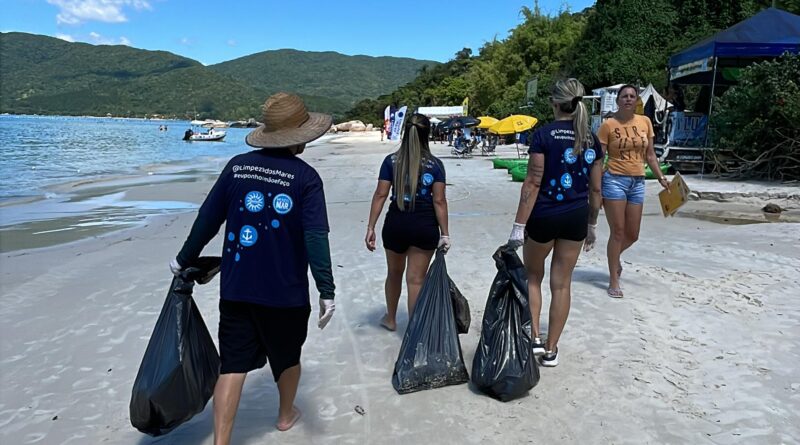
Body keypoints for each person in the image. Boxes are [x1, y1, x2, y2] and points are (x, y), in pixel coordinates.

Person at [169, 92, 336, 443]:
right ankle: (286, 415)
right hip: (285, 294)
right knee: (287, 357)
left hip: (237, 286)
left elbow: (207, 220)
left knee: (232, 364)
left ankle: (221, 441)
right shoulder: (306, 179)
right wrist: (326, 290)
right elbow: (316, 238)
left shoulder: (238, 166)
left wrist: (184, 258)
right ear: (300, 136)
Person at [507, 78, 604, 367]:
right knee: (561, 285)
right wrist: (592, 225)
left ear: (555, 103)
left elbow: (533, 182)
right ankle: (551, 350)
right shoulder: (591, 139)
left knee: (533, 277)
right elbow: (596, 189)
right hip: (575, 217)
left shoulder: (543, 135)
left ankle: (535, 338)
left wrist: (518, 225)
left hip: (544, 215)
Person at [365, 113, 450, 332]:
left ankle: (391, 319)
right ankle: (414, 332)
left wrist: (371, 227)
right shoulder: (435, 165)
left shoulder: (390, 161)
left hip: (396, 224)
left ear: (405, 133)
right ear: (427, 134)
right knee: (416, 280)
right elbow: (439, 201)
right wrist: (445, 234)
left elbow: (380, 195)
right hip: (424, 226)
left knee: (394, 274)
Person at [598, 84, 670, 298]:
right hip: (614, 181)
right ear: (618, 101)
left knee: (633, 234)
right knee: (618, 231)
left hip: (638, 182)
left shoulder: (645, 122)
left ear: (636, 100)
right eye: (624, 96)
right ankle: (613, 280)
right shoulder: (608, 125)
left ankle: (614, 257)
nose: (628, 99)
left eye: (632, 96)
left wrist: (662, 178)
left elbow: (650, 156)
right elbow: (600, 159)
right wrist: (596, 188)